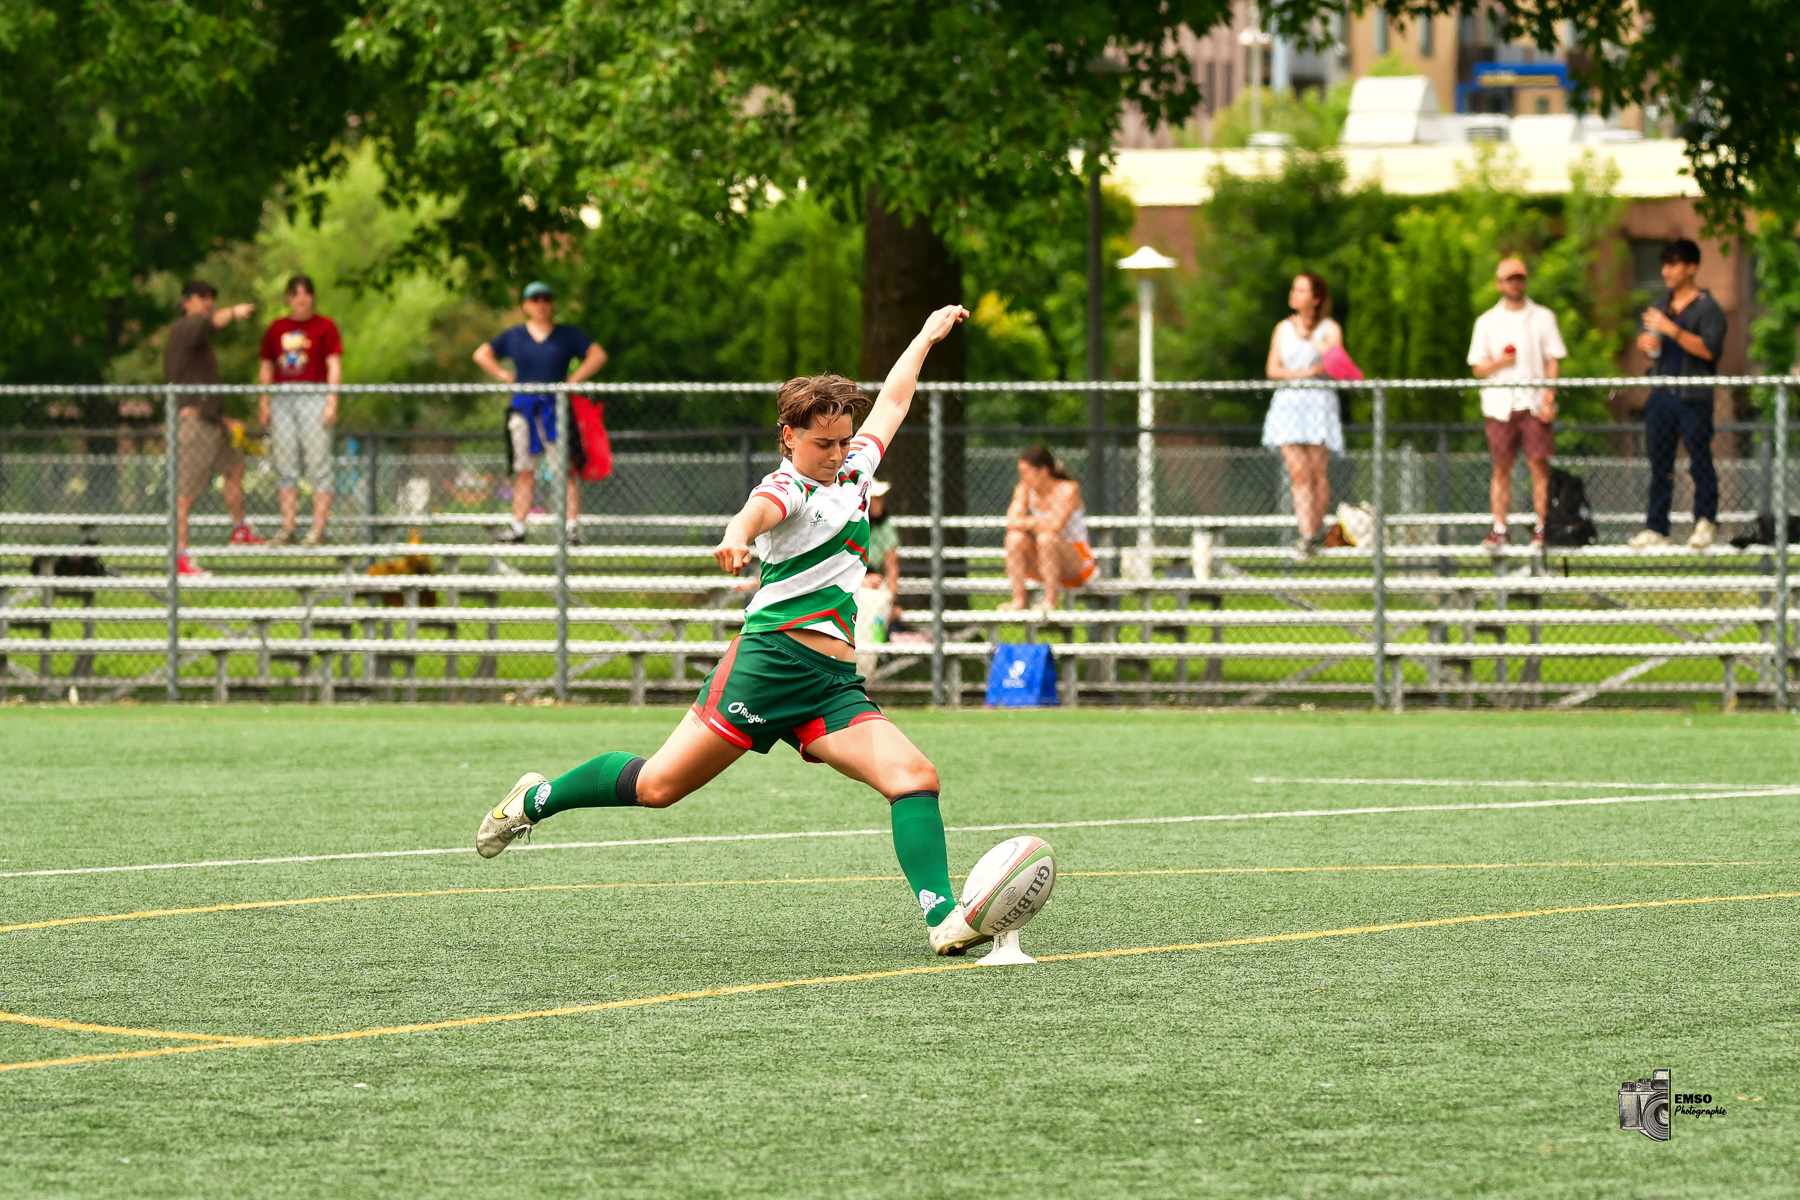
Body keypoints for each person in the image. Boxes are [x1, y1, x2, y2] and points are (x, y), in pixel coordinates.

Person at [474, 305, 994, 957]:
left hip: (831, 685)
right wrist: (735, 537)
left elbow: (894, 399)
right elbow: (754, 513)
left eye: (842, 441)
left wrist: (923, 336)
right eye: (822, 444)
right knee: (657, 787)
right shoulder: (787, 486)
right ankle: (536, 799)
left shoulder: (856, 468)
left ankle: (943, 918)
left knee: (915, 776)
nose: (836, 453)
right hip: (766, 666)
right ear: (789, 437)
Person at [473, 282, 608, 545]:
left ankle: (570, 528)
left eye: (546, 299)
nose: (541, 304)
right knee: (525, 469)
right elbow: (481, 354)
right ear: (526, 305)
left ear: (552, 303)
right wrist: (504, 375)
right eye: (535, 300)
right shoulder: (515, 336)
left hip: (555, 410)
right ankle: (518, 527)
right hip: (523, 409)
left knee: (564, 470)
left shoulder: (566, 335)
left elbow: (597, 354)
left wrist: (572, 381)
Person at [1629, 239, 1728, 550]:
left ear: (1691, 267)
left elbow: (1708, 350)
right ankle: (1656, 527)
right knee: (1659, 464)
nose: (1666, 271)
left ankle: (1705, 522)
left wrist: (1671, 329)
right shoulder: (1661, 305)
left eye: (1672, 264)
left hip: (1692, 396)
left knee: (1699, 460)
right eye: (1664, 264)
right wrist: (1644, 345)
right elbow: (1650, 346)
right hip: (1661, 394)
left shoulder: (1708, 308)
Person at [1468, 256, 1567, 553]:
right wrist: (1501, 361)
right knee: (1501, 467)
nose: (1515, 283)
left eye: (1520, 277)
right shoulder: (1486, 321)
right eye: (1510, 279)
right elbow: (1477, 367)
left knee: (1539, 465)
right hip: (1500, 405)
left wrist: (1549, 398)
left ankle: (1542, 527)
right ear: (1499, 284)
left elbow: (1553, 360)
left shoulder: (1543, 317)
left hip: (1534, 403)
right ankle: (1499, 528)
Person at [164, 280, 260, 577]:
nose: (209, 302)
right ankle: (179, 557)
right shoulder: (188, 327)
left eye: (212, 297)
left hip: (210, 422)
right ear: (187, 302)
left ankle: (240, 530)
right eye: (203, 297)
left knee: (235, 468)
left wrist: (224, 420)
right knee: (185, 494)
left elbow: (200, 386)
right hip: (193, 425)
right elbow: (210, 323)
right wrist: (234, 311)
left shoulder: (199, 343)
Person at [1263, 271, 1344, 560]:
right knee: (1299, 474)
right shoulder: (1282, 328)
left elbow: (1336, 363)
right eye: (1294, 289)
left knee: (1317, 473)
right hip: (1289, 405)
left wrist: (1309, 336)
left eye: (1301, 290)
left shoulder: (1329, 329)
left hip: (1319, 404)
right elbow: (1273, 369)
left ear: (1316, 298)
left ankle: (1315, 531)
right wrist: (1305, 373)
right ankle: (1307, 534)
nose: (1294, 294)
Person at [257, 275, 342, 546]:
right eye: (295, 294)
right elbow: (267, 365)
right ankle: (288, 528)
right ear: (288, 298)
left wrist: (331, 401)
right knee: (284, 463)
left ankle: (318, 530)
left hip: (314, 394)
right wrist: (264, 401)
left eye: (306, 293)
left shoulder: (325, 326)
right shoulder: (277, 327)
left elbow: (334, 365)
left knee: (319, 462)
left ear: (312, 297)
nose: (301, 299)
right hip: (283, 396)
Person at [1001, 445, 1097, 612]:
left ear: (1044, 471)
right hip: (1044, 562)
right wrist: (1039, 522)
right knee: (1014, 538)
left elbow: (1056, 526)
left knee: (1047, 538)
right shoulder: (1024, 489)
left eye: (1026, 472)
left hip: (1075, 562)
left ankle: (1050, 602)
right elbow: (1011, 522)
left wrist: (1027, 522)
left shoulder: (1068, 489)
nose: (1022, 478)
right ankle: (1019, 601)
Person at [854, 480, 902, 677]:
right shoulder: (851, 523)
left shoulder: (884, 525)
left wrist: (891, 601)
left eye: (881, 498)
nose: (880, 502)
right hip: (852, 581)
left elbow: (892, 567)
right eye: (875, 498)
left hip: (875, 584)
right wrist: (861, 581)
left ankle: (870, 662)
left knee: (879, 603)